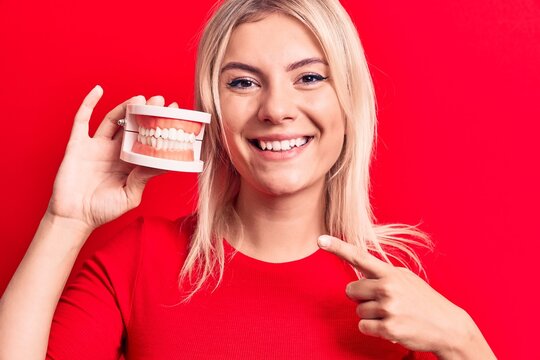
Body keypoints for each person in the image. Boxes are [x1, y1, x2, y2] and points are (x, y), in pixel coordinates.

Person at [0, 0, 496, 358]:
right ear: (212, 111)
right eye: (242, 82)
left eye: (309, 77)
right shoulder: (137, 262)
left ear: (350, 102)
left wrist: (464, 342)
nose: (276, 109)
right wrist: (66, 218)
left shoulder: (403, 285)